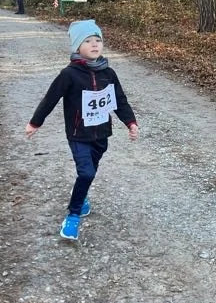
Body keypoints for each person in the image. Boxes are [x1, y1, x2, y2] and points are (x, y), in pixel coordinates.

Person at [25, 20, 138, 240]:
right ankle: (73, 215)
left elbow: (120, 101)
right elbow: (50, 99)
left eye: (98, 40)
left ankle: (81, 194)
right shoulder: (69, 74)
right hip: (78, 134)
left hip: (102, 135)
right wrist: (35, 123)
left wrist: (130, 123)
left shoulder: (109, 73)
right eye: (88, 41)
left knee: (89, 172)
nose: (95, 45)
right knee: (86, 172)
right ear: (78, 47)